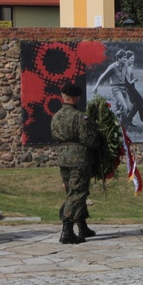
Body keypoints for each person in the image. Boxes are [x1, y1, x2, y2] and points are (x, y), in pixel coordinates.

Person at [50, 83, 99, 244]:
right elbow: (89, 140)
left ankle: (82, 226)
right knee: (77, 192)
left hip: (63, 157)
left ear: (63, 97)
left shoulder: (56, 116)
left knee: (72, 191)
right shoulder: (79, 117)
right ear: (75, 97)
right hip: (78, 158)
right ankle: (67, 231)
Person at [92, 49, 136, 125]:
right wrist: (96, 86)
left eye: (125, 57)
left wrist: (131, 82)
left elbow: (126, 78)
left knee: (129, 108)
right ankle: (123, 125)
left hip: (124, 89)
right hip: (116, 89)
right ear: (118, 58)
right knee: (124, 107)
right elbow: (103, 76)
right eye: (123, 58)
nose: (125, 59)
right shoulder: (112, 67)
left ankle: (112, 117)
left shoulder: (125, 65)